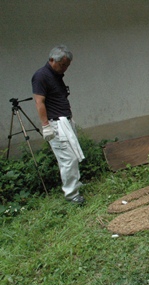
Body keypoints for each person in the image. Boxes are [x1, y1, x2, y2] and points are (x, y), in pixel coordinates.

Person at [32, 45, 86, 205]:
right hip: (56, 124)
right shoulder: (41, 76)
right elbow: (39, 102)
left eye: (67, 65)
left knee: (73, 156)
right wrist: (46, 126)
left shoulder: (56, 75)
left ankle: (75, 185)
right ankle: (71, 195)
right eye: (63, 65)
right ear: (51, 60)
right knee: (67, 159)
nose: (65, 68)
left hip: (66, 121)